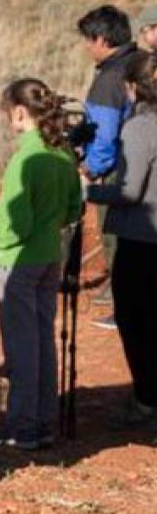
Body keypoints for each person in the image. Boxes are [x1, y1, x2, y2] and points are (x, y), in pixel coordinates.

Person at [0, 79, 81, 450]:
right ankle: (41, 420)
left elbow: (14, 220)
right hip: (50, 256)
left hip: (19, 261)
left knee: (21, 346)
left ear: (20, 113)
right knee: (41, 339)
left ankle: (21, 425)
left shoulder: (26, 158)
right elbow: (74, 208)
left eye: (9, 115)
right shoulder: (63, 153)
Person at [85, 51, 157, 429]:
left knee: (135, 320)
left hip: (143, 240)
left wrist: (88, 192)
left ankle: (146, 401)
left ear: (133, 88)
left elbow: (129, 192)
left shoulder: (140, 128)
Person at [76, 6, 140, 330]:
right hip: (146, 164)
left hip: (119, 168)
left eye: (89, 40)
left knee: (116, 238)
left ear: (102, 39)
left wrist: (89, 169)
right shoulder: (142, 63)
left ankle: (126, 309)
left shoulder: (109, 79)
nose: (87, 47)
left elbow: (103, 134)